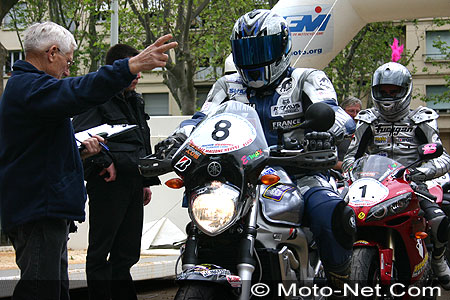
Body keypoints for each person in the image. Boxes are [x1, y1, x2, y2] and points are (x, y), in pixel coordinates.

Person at [155, 9, 356, 296]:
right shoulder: (228, 85)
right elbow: (202, 119)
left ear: (283, 46)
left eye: (262, 48)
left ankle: (340, 280)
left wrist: (325, 133)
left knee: (330, 212)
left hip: (300, 171)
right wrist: (177, 137)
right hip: (241, 176)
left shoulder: (307, 78)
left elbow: (337, 114)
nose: (253, 57)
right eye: (246, 50)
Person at [0, 21, 177, 300]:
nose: (68, 70)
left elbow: (41, 152)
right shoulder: (30, 87)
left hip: (46, 210)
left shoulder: (29, 89)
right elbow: (77, 91)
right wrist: (129, 66)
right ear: (52, 53)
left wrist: (82, 151)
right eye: (68, 62)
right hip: (39, 211)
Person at [342, 62, 450, 289]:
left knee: (439, 219)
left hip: (413, 183)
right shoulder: (367, 120)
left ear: (406, 91)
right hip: (374, 186)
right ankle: (333, 268)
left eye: (394, 91)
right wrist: (352, 173)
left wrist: (418, 173)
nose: (388, 96)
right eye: (383, 91)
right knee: (334, 214)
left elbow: (442, 158)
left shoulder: (422, 119)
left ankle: (439, 261)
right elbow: (351, 157)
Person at [72, 44, 161, 300]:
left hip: (133, 182)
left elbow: (142, 141)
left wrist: (146, 180)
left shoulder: (134, 99)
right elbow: (82, 137)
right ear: (118, 69)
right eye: (134, 70)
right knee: (101, 251)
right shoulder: (95, 96)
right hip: (107, 183)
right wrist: (103, 160)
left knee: (128, 252)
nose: (139, 76)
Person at [335, 96, 362, 170]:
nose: (355, 115)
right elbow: (329, 162)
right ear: (342, 112)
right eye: (351, 111)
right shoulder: (335, 131)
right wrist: (351, 167)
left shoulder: (363, 131)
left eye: (358, 112)